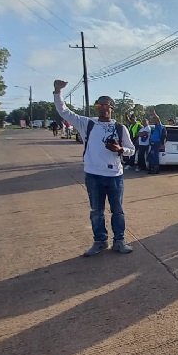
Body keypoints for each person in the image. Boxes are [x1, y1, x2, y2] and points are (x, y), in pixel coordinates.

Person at [52, 80, 136, 256]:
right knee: (96, 211)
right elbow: (64, 111)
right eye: (100, 105)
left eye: (107, 105)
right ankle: (100, 241)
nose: (104, 108)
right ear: (96, 107)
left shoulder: (120, 128)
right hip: (93, 175)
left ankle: (119, 241)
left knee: (117, 211)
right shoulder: (87, 124)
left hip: (115, 175)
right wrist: (58, 91)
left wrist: (120, 149)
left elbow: (131, 150)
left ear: (112, 108)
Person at [147, 108, 165, 174]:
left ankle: (156, 169)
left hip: (156, 143)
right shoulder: (155, 127)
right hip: (153, 143)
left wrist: (154, 113)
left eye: (154, 119)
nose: (154, 120)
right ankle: (152, 168)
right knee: (151, 155)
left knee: (155, 156)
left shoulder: (159, 126)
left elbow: (158, 119)